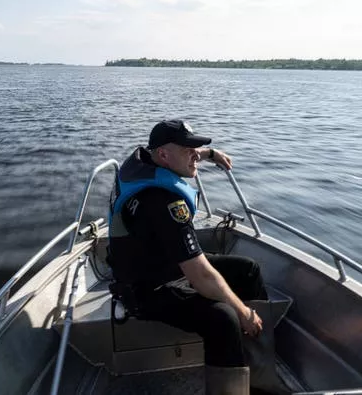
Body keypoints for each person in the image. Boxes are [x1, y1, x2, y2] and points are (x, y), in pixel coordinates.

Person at [108, 120, 269, 395]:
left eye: (196, 148)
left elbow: (178, 156)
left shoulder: (140, 164)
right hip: (147, 289)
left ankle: (257, 368)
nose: (196, 154)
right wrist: (243, 312)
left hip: (163, 262)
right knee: (225, 318)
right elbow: (201, 276)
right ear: (164, 155)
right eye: (189, 150)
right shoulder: (165, 204)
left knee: (248, 270)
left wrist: (210, 154)